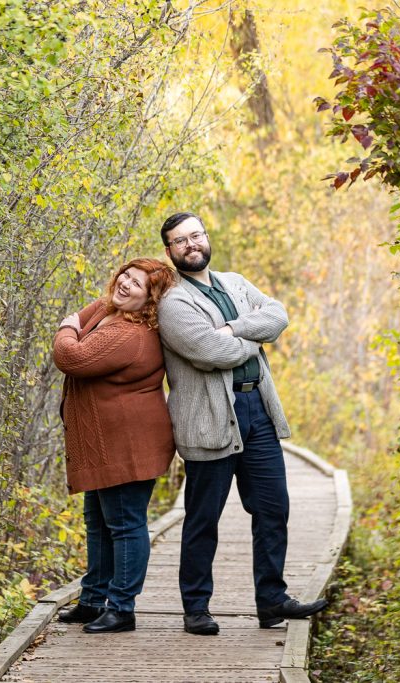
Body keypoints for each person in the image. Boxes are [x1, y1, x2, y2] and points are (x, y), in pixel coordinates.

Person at [155, 212, 327, 636]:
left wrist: (232, 328)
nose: (190, 244)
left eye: (196, 235)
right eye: (180, 241)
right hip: (210, 419)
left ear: (207, 237)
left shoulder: (235, 282)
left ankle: (272, 601)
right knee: (203, 517)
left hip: (257, 413)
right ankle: (196, 608)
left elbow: (278, 315)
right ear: (170, 252)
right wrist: (251, 338)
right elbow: (212, 352)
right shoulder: (174, 302)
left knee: (273, 508)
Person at [51, 258, 178, 634]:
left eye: (137, 284)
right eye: (126, 274)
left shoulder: (130, 334)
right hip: (107, 446)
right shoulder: (112, 311)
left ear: (150, 301)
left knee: (124, 524)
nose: (124, 284)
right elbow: (91, 309)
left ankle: (122, 607)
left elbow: (69, 356)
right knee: (99, 523)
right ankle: (92, 600)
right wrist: (77, 321)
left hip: (129, 446)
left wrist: (65, 326)